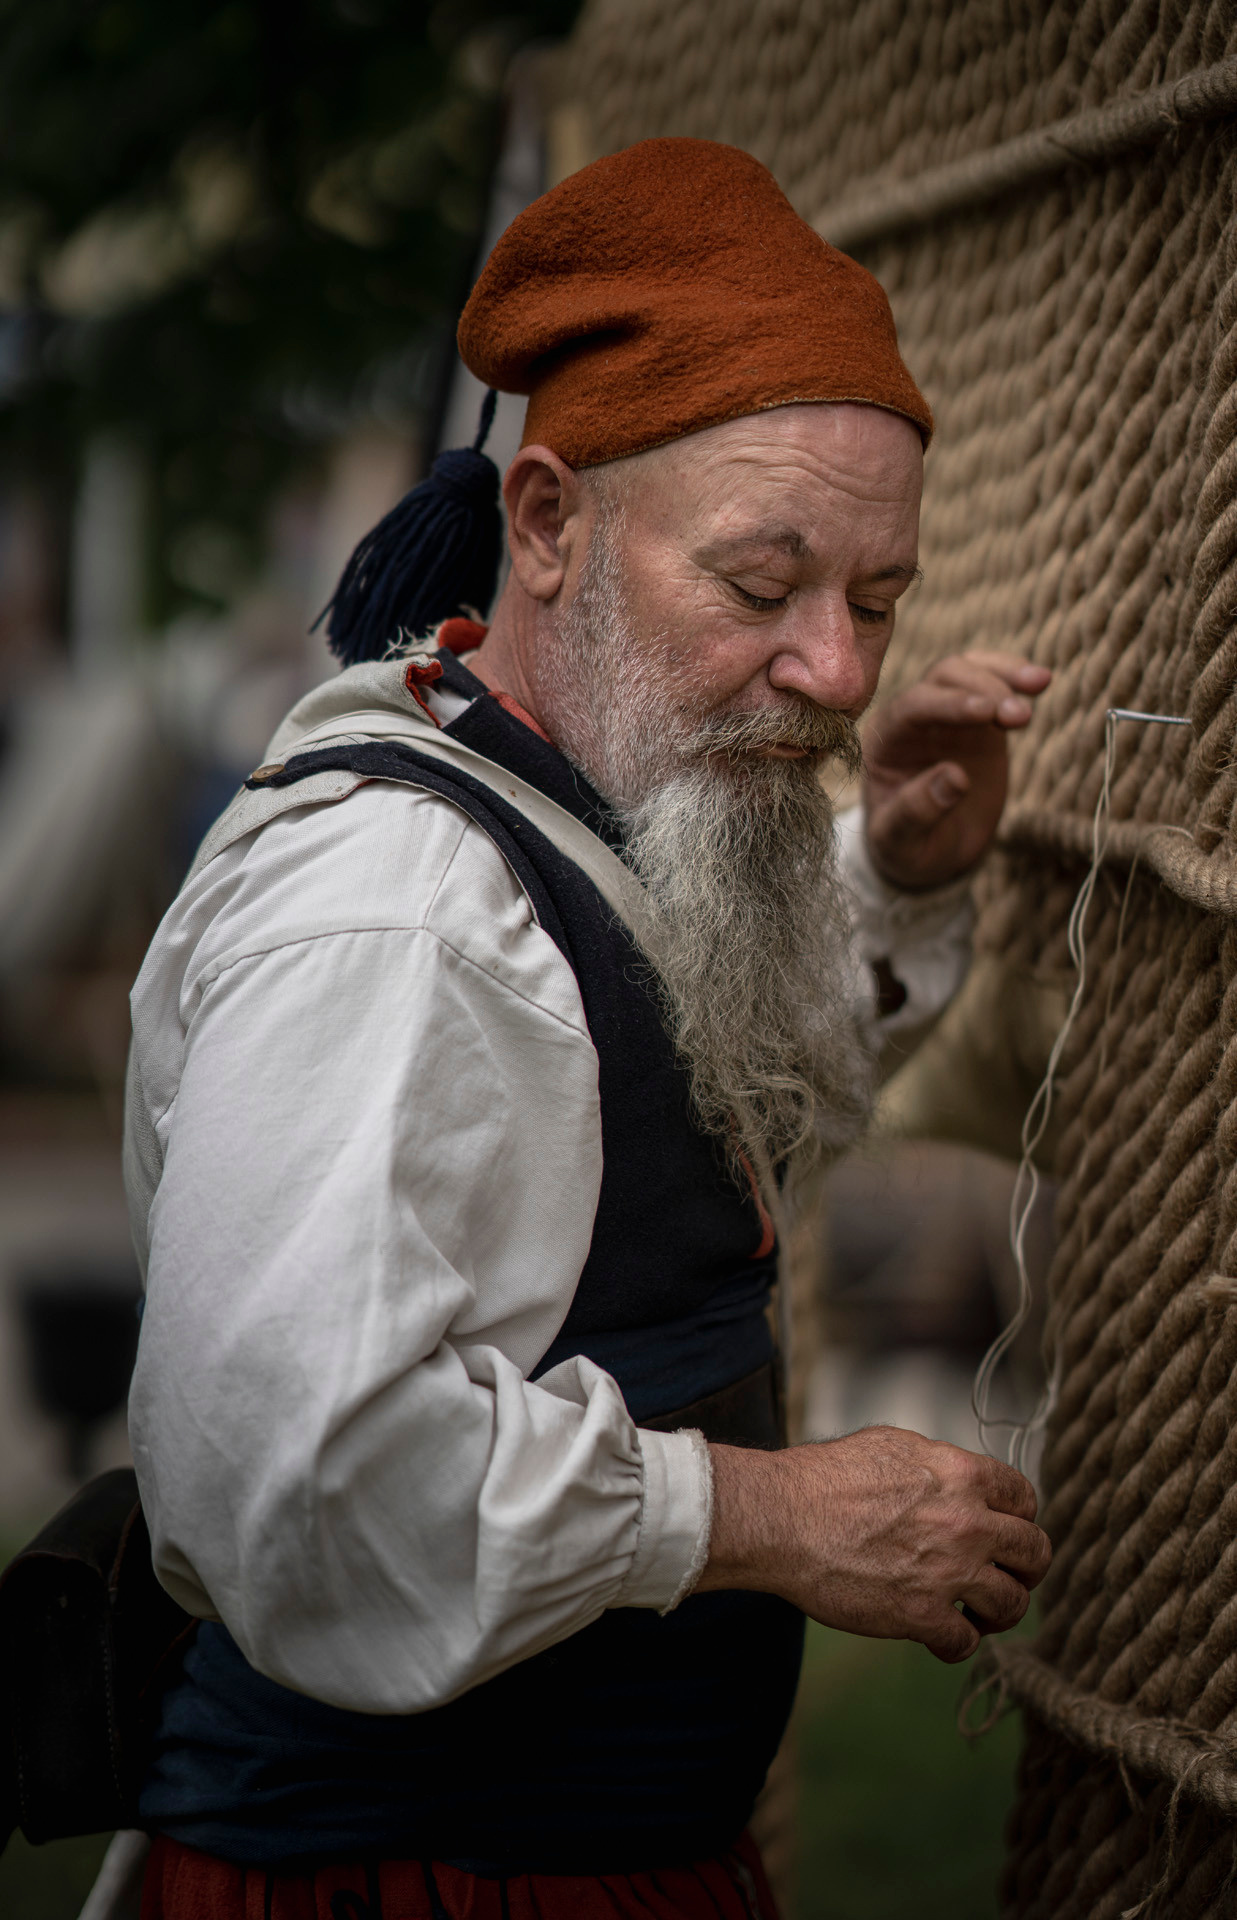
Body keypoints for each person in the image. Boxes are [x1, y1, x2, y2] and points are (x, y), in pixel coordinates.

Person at [126, 138, 1052, 1920]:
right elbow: (295, 1482)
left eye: (875, 601)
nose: (841, 677)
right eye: (763, 585)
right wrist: (771, 1517)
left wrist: (895, 880)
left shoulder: (562, 800)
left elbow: (648, 1101)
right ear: (548, 523)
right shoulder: (393, 915)